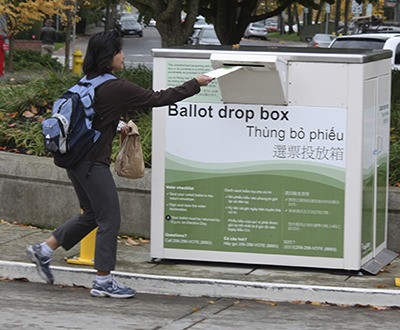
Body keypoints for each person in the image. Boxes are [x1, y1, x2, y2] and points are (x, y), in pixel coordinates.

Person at [27, 30, 214, 299]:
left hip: (75, 161)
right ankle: (103, 281)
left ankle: (43, 250)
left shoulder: (88, 82)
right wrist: (195, 83)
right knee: (109, 219)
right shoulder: (116, 86)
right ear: (108, 57)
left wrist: (117, 125)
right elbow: (158, 98)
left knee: (92, 215)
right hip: (92, 164)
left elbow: (92, 117)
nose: (123, 56)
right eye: (119, 52)